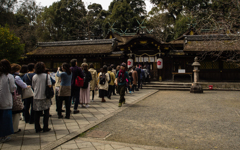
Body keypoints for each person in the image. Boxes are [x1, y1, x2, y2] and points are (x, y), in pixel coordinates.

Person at [32, 62, 52, 133]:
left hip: (36, 95)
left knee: (37, 113)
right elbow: (49, 85)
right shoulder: (46, 76)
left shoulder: (34, 76)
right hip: (45, 95)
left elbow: (33, 86)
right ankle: (45, 127)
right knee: (46, 112)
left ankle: (37, 128)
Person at [0, 59, 16, 143]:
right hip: (6, 99)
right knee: (5, 119)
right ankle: (3, 136)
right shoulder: (9, 76)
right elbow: (12, 89)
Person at [11, 63, 29, 134]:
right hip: (17, 95)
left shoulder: (9, 76)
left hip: (9, 96)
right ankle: (15, 128)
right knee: (16, 113)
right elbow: (23, 85)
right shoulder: (16, 77)